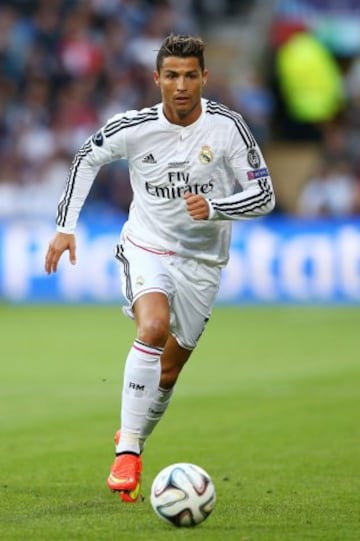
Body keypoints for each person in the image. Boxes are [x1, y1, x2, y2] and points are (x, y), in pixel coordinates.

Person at [44, 34, 275, 503]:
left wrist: (215, 208)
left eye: (191, 75)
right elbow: (87, 156)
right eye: (172, 75)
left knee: (167, 375)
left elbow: (265, 195)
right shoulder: (136, 127)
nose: (182, 85)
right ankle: (127, 451)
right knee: (153, 326)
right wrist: (66, 226)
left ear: (205, 78)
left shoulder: (228, 129)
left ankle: (134, 437)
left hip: (204, 263)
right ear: (157, 79)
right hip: (147, 247)